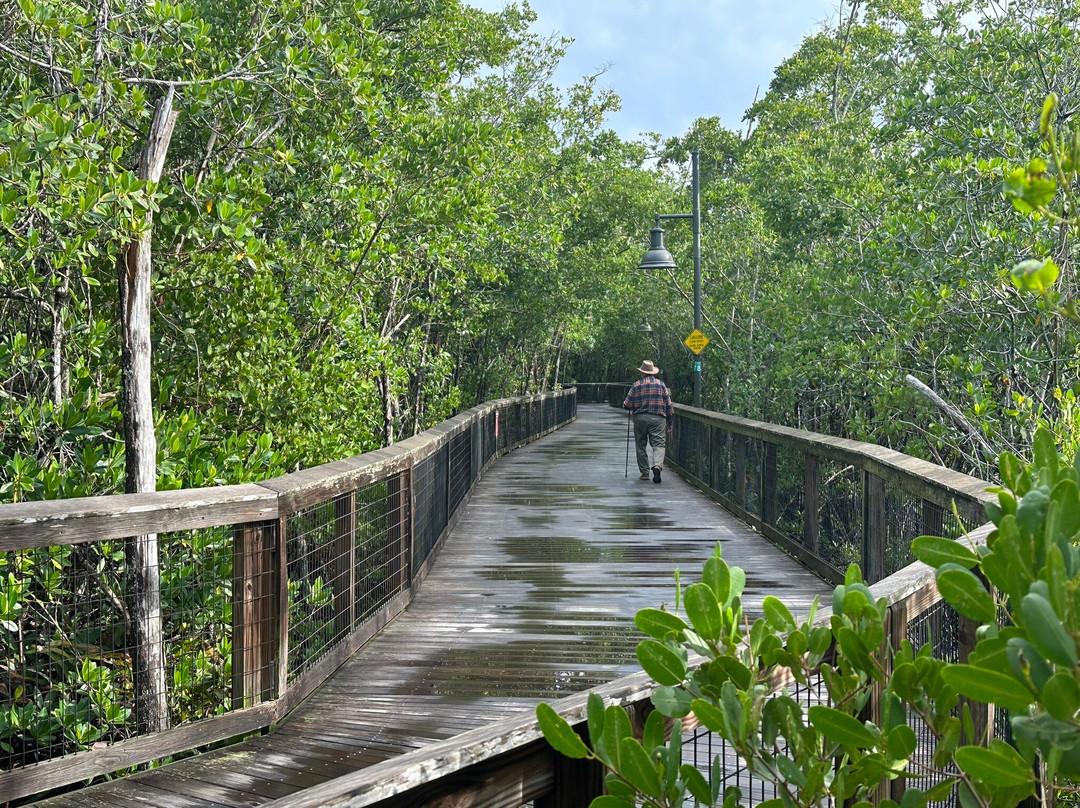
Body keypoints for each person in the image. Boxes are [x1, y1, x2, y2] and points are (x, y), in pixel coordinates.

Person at [622, 360, 673, 483]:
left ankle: (645, 472)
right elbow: (669, 406)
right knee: (659, 444)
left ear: (642, 373)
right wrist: (670, 422)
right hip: (658, 418)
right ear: (653, 372)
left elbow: (627, 404)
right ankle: (657, 466)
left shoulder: (636, 385)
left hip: (640, 418)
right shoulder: (661, 385)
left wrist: (628, 406)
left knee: (641, 445)